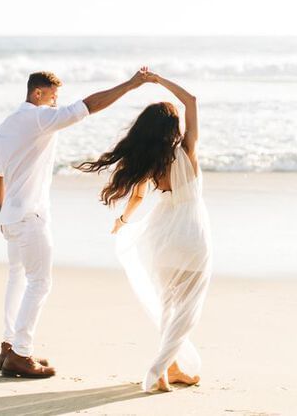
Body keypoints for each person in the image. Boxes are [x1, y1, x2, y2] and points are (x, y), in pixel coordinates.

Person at [0, 66, 151, 378]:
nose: (55, 104)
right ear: (38, 94)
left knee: (17, 278)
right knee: (40, 283)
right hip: (29, 217)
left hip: (10, 217)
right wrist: (131, 85)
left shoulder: (4, 127)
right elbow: (89, 106)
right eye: (53, 97)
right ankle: (21, 355)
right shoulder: (39, 118)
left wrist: (4, 211)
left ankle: (8, 347)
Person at [76, 71, 212, 393]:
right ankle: (159, 367)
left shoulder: (151, 161)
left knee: (168, 304)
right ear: (173, 127)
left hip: (163, 237)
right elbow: (191, 100)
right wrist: (159, 80)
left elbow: (137, 196)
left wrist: (122, 221)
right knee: (188, 307)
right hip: (192, 235)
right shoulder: (186, 151)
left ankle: (170, 369)